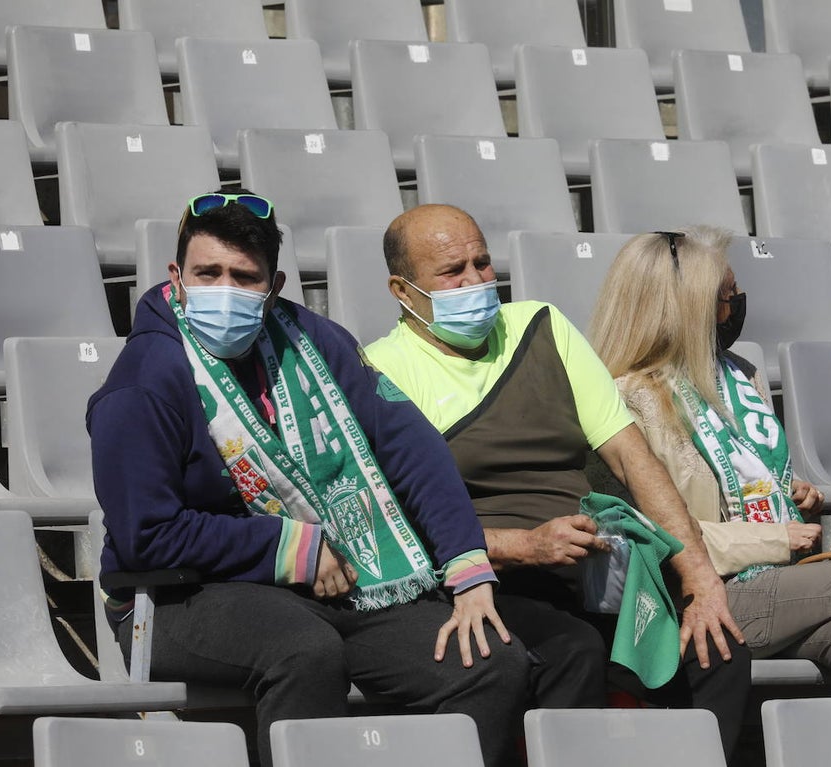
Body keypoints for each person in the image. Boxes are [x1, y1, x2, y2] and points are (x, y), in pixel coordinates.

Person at [88, 191, 531, 767]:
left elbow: (407, 443)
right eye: (207, 273)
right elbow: (147, 535)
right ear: (177, 275)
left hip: (335, 582)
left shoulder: (313, 339)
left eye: (245, 278)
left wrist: (467, 569)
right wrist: (290, 546)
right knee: (302, 649)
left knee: (491, 661)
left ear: (273, 288)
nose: (224, 289)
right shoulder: (143, 380)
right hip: (177, 596)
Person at [363, 204, 752, 762]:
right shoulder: (379, 371)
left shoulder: (540, 325)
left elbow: (631, 457)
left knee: (716, 644)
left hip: (596, 567)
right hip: (486, 579)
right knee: (572, 649)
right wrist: (526, 546)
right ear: (403, 290)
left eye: (482, 263)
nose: (476, 282)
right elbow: (399, 526)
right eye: (453, 273)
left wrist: (699, 579)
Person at [590, 227, 831, 745]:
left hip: (775, 582)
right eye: (725, 300)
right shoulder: (626, 402)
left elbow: (745, 482)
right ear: (684, 308)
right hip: (704, 592)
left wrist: (793, 498)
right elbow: (649, 536)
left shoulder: (738, 375)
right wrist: (773, 538)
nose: (737, 308)